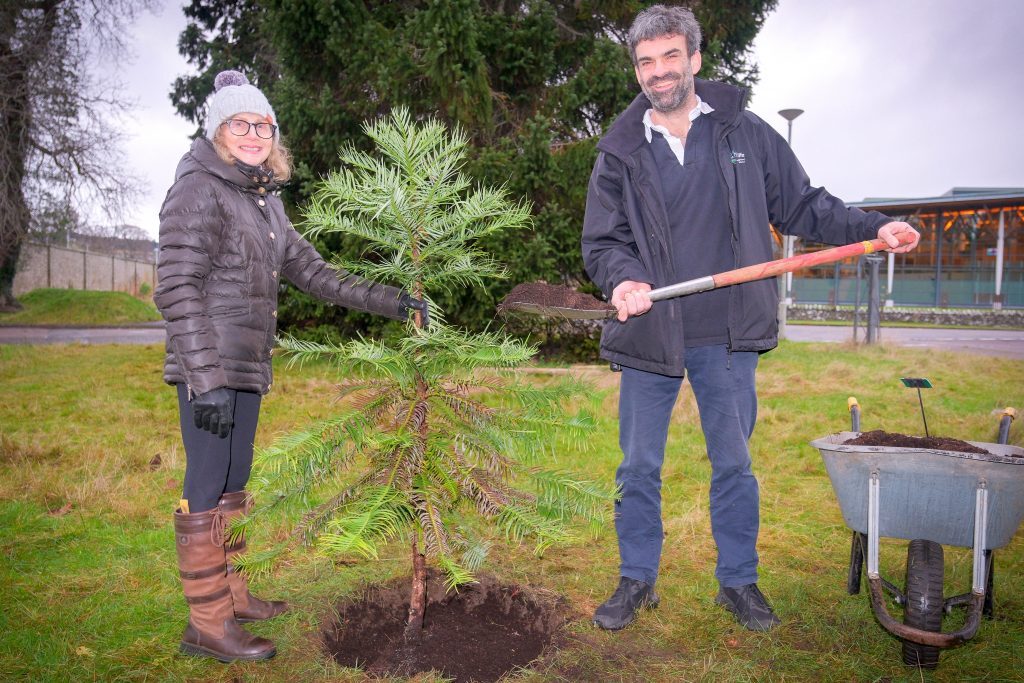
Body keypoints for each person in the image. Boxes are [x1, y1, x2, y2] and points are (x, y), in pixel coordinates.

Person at [581, 6, 919, 632]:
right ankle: (636, 579)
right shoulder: (621, 150)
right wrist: (623, 278)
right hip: (651, 333)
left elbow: (804, 206)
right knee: (637, 466)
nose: (658, 72)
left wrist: (875, 227)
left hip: (729, 334)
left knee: (733, 464)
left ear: (695, 58)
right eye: (645, 61)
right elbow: (603, 241)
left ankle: (738, 581)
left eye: (669, 57)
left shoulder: (743, 132)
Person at [154, 70, 426, 662]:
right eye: (241, 123)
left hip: (246, 367)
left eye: (264, 125)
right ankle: (207, 625)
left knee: (234, 477)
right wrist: (204, 381)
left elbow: (314, 273)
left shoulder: (263, 202)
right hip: (211, 369)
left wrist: (390, 299)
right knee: (206, 479)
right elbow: (176, 286)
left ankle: (233, 594)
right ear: (219, 131)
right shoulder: (198, 190)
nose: (254, 134)